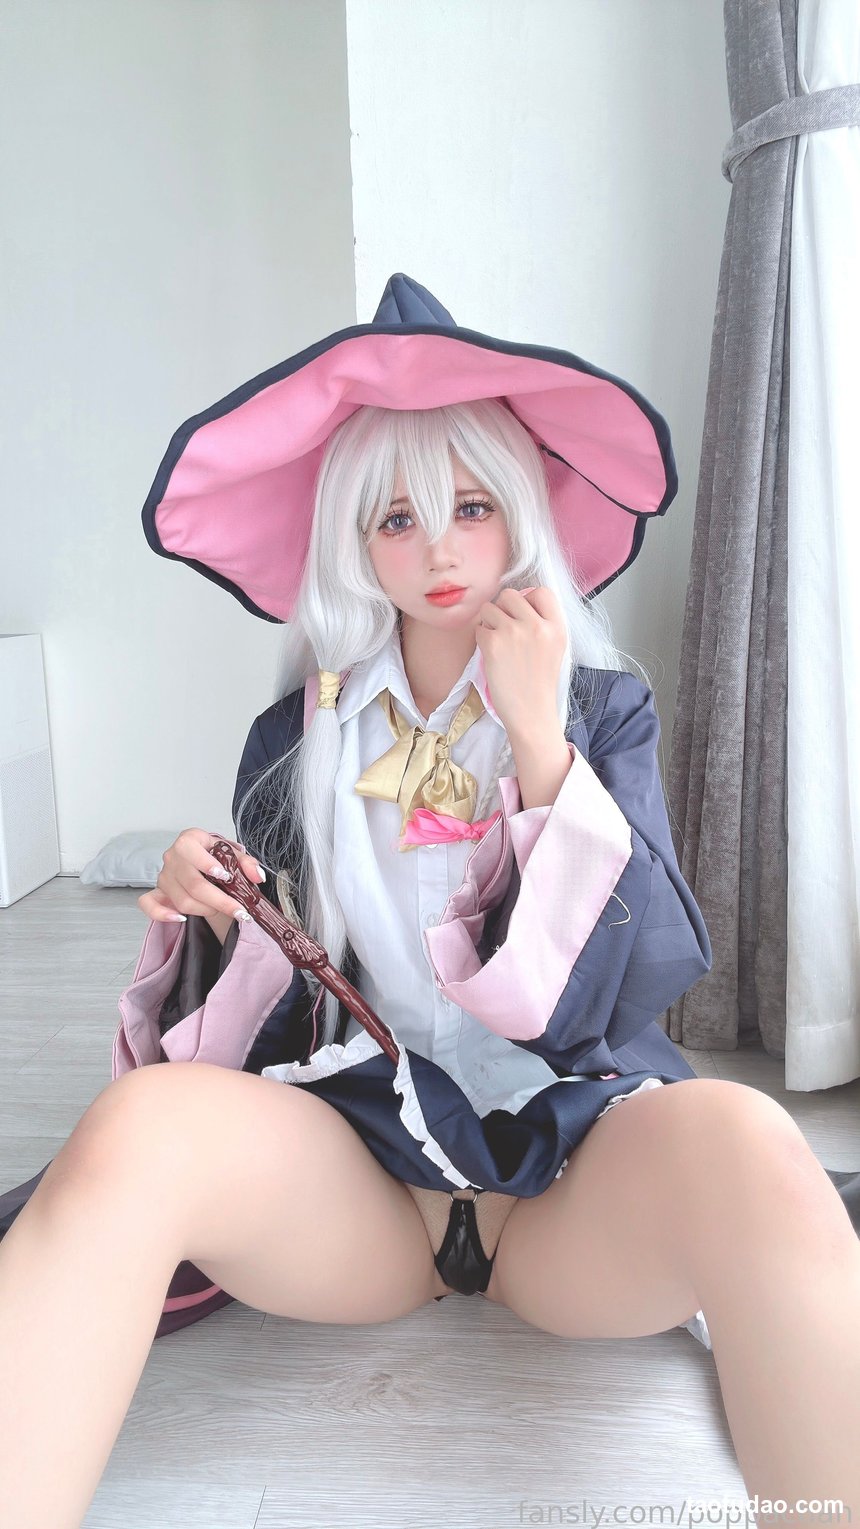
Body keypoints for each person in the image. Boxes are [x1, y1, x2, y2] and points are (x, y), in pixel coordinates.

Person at [0, 275, 858, 1529]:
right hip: (362, 1192)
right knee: (135, 1126)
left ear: (518, 513)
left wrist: (541, 748)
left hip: (575, 1189)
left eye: (469, 506)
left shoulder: (601, 710)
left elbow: (642, 979)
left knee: (748, 1140)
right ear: (354, 541)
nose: (439, 548)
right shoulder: (295, 737)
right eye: (396, 518)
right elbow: (282, 1007)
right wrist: (216, 906)